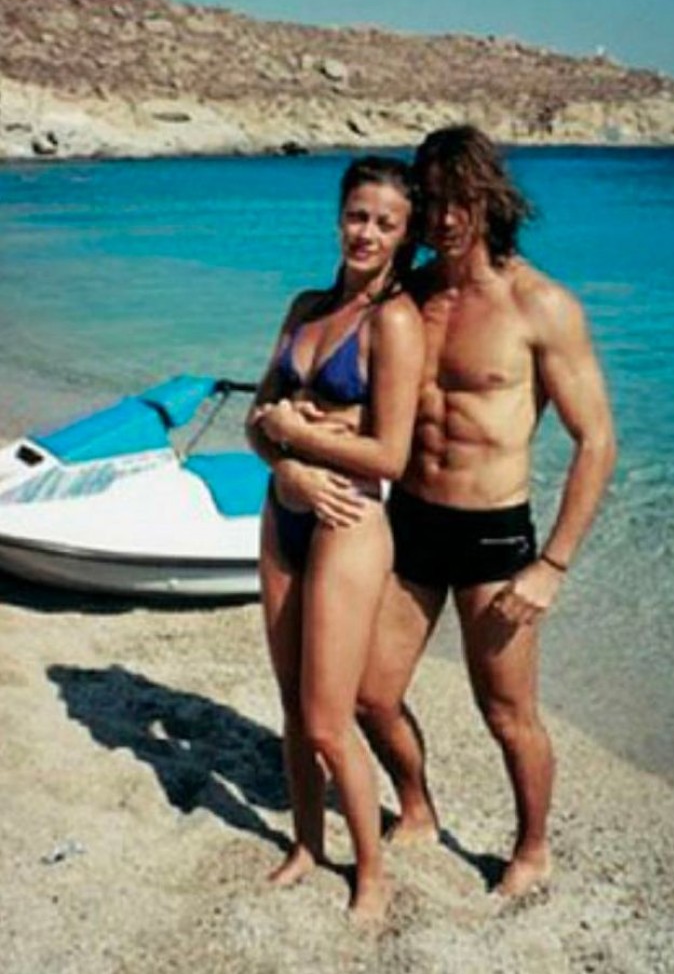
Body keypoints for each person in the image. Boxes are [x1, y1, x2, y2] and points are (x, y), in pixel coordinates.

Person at [352, 125, 618, 897]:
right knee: (370, 695)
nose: (443, 218)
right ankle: (417, 806)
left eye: (459, 200)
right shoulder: (409, 296)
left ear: (492, 199)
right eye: (431, 200)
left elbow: (597, 441)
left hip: (494, 535)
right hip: (410, 521)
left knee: (507, 714)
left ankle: (531, 850)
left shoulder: (542, 306)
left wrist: (553, 564)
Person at [245, 156, 424, 923]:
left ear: (405, 235)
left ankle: (372, 872)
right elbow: (257, 419)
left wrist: (299, 435)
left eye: (386, 223)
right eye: (358, 216)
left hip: (349, 520)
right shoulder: (305, 307)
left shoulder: (396, 323)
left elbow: (391, 455)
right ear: (339, 216)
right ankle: (307, 845)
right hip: (283, 509)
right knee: (292, 706)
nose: (367, 234)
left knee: (327, 717)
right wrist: (287, 463)